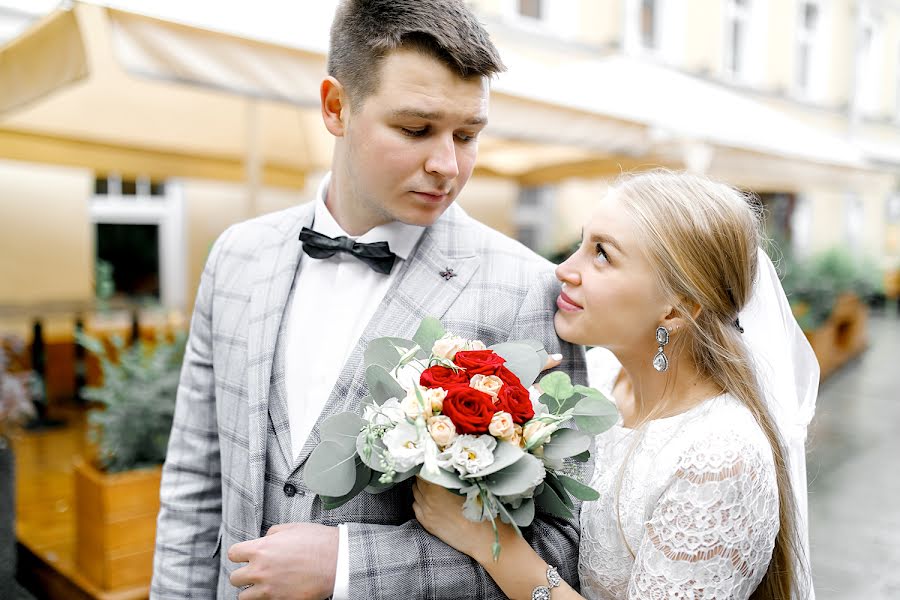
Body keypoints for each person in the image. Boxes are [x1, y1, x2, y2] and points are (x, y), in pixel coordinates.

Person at [150, 1, 585, 598]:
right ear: (336, 107)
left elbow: (559, 547)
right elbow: (194, 486)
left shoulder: (527, 288)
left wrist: (350, 565)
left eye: (467, 135)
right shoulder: (236, 256)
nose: (447, 165)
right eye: (415, 129)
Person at [413, 170, 815, 599]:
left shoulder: (719, 457)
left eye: (602, 254)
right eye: (582, 244)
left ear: (677, 311)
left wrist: (489, 544)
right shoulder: (597, 378)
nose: (564, 270)